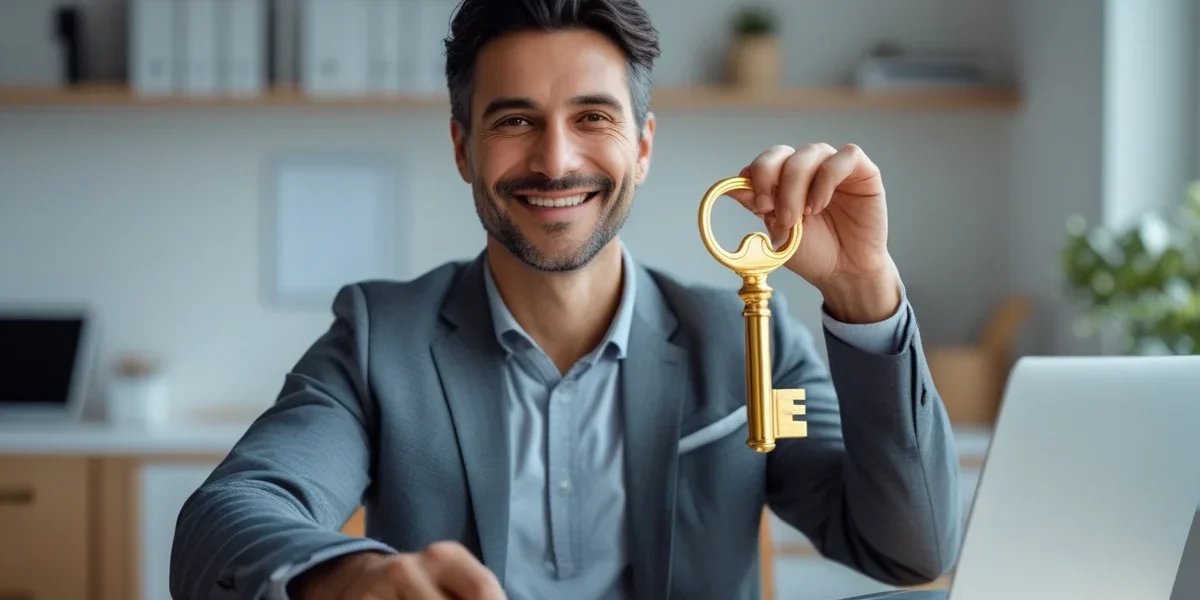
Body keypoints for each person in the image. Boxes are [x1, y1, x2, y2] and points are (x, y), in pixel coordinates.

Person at [169, 0, 963, 598]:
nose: (555, 161)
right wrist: (349, 582)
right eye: (516, 120)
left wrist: (862, 289)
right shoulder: (383, 338)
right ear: (462, 147)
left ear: (643, 146)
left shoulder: (743, 341)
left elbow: (911, 549)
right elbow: (223, 519)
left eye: (593, 117)